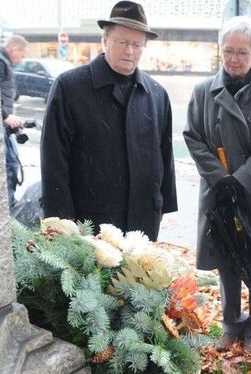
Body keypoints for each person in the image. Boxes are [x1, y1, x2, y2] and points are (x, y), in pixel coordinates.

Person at [184, 16, 251, 352]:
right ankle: (231, 321)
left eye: (242, 52)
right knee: (227, 258)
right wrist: (221, 181)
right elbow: (194, 138)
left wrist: (240, 181)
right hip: (219, 191)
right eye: (228, 51)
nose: (234, 59)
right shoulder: (203, 91)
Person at [41, 1, 176, 241]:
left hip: (142, 220)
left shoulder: (156, 93)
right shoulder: (70, 87)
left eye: (137, 44)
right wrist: (61, 217)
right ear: (105, 41)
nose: (130, 51)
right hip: (89, 220)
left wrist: (163, 205)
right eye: (122, 42)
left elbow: (165, 155)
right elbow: (53, 156)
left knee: (138, 279)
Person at [0, 34, 28, 209]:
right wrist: (6, 116)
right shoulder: (0, 61)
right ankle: (8, 205)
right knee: (10, 164)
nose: (21, 60)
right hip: (2, 122)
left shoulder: (2, 61)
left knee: (11, 163)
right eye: (22, 56)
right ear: (14, 49)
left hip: (4, 123)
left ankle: (9, 202)